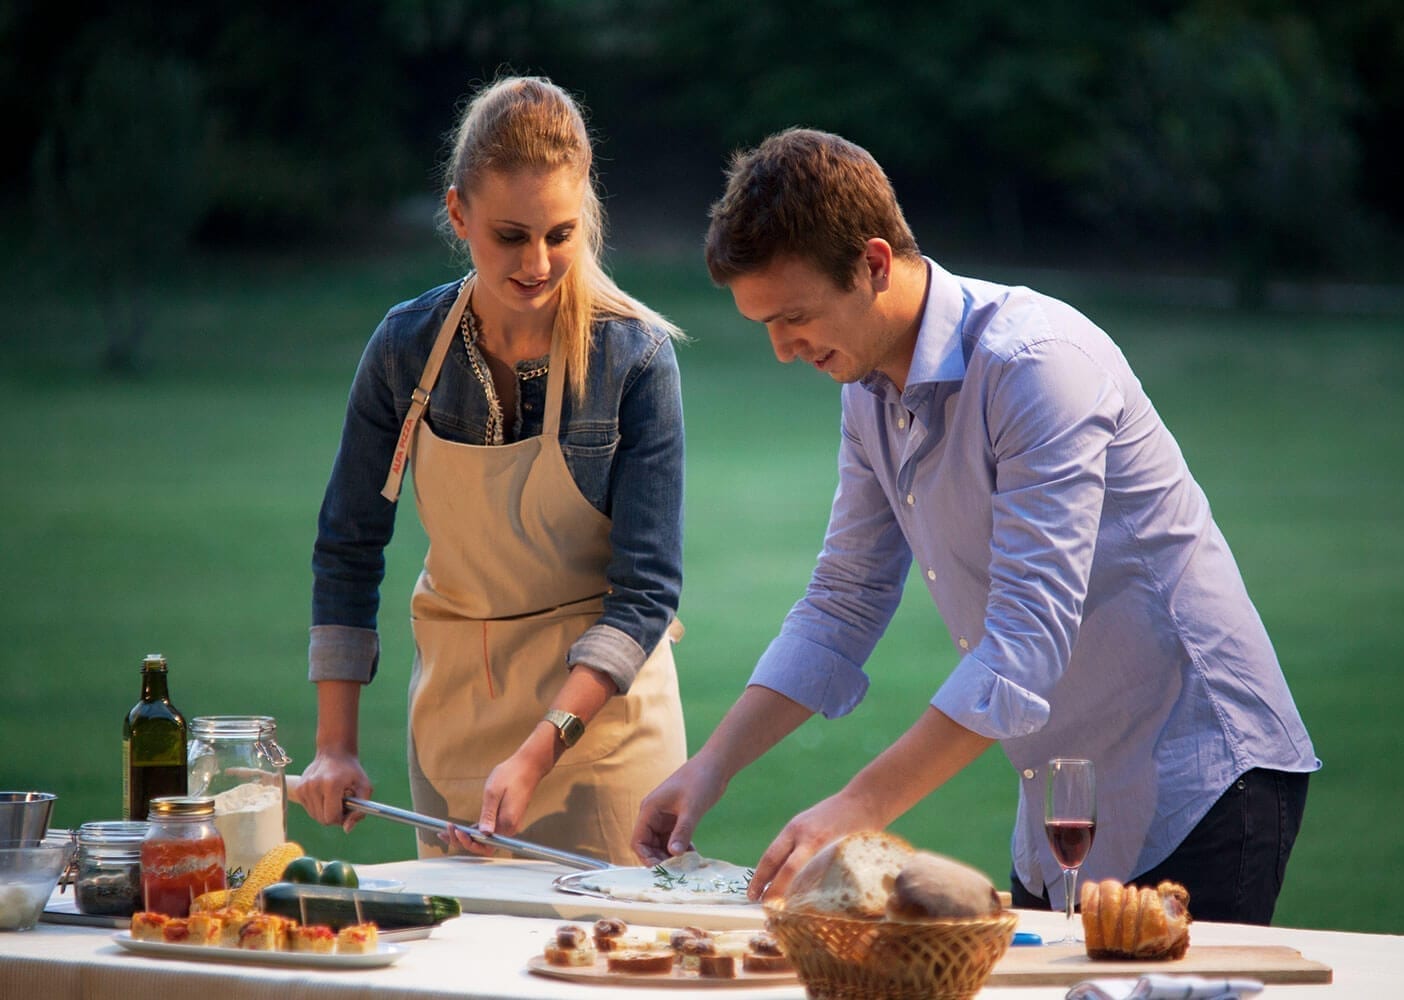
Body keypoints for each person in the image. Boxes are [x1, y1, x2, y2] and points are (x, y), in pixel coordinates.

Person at [633, 128, 1319, 924]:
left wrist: (859, 805)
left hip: (1203, 779)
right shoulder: (866, 393)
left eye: (794, 317)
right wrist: (711, 767)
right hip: (1066, 809)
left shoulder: (1036, 365)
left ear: (875, 263)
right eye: (766, 327)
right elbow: (842, 602)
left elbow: (1026, 639)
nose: (784, 351)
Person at [296, 76, 688, 865]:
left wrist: (541, 748)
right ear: (458, 214)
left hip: (602, 743)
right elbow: (349, 544)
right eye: (511, 236)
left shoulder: (635, 359)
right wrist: (334, 745)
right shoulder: (405, 349)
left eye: (559, 234)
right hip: (454, 726)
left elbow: (646, 591)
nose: (538, 263)